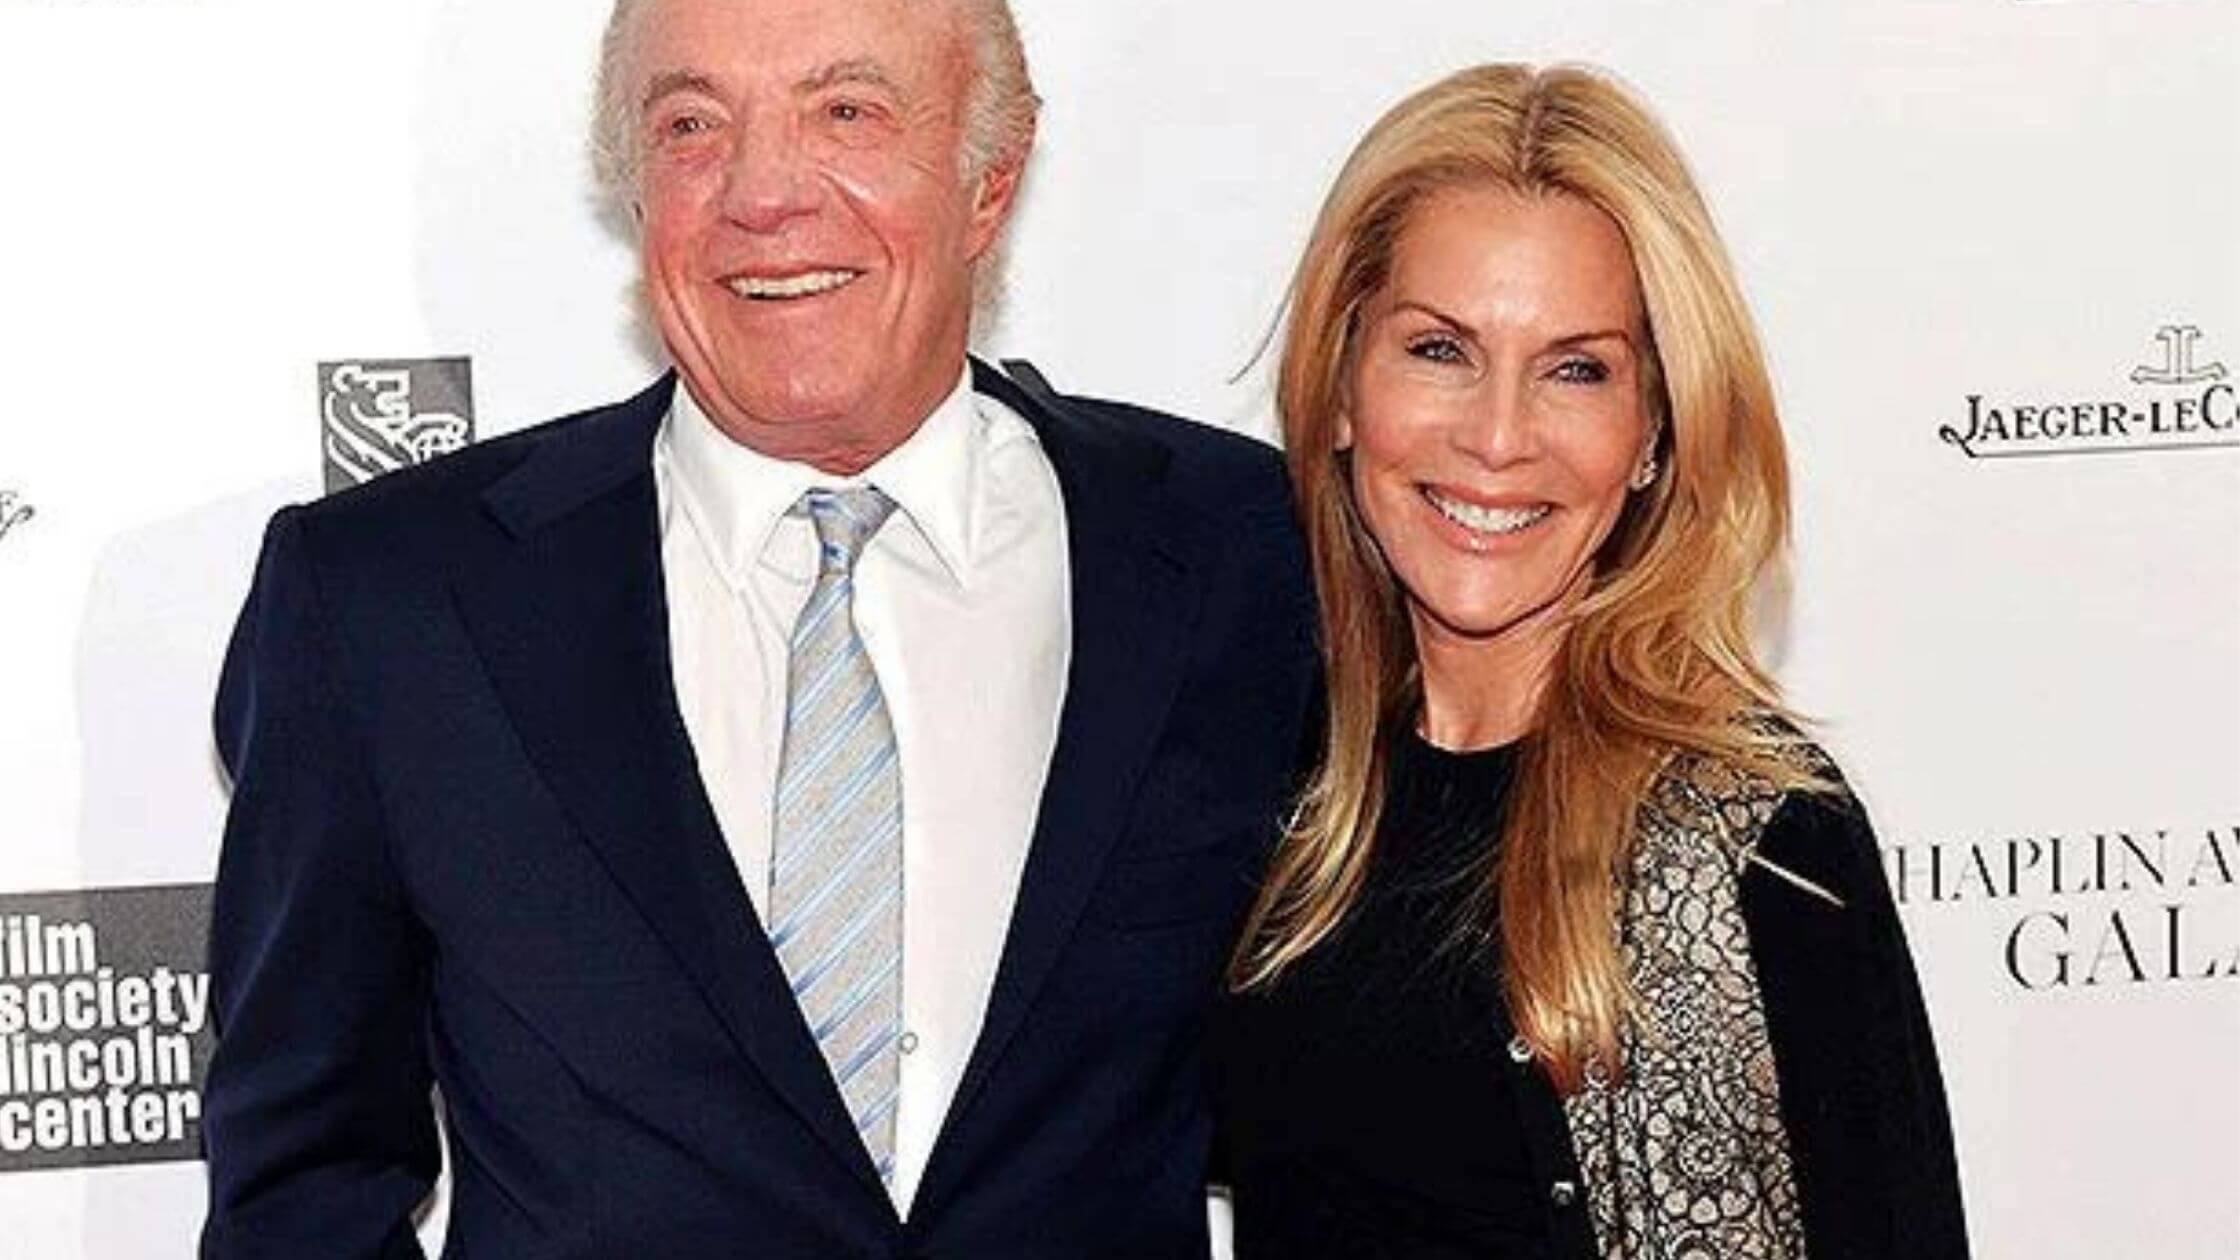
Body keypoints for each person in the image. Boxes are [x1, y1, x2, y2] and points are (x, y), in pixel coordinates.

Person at [197, 0, 1315, 1255]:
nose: (763, 194)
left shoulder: (1247, 553)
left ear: (990, 180)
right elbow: (299, 1181)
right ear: (633, 187)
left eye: (846, 112)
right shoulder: (389, 603)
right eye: (691, 125)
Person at [1212, 64, 1968, 1259]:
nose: (1496, 437)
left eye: (1575, 369)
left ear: (1653, 428)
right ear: (1341, 383)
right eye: (1438, 349)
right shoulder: (1267, 790)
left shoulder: (1754, 837)